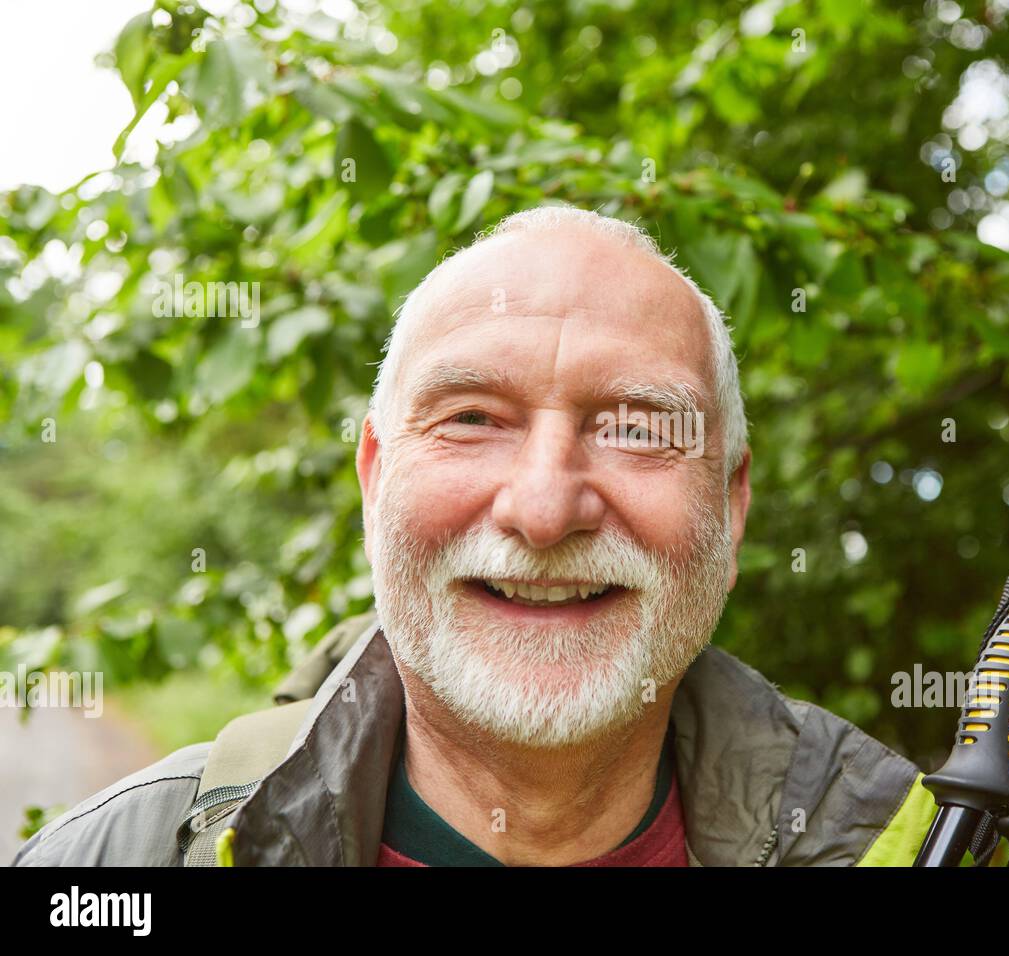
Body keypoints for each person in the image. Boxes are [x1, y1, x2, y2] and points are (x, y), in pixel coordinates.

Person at [13, 207, 935, 867]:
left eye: (638, 428)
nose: (542, 510)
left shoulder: (923, 852)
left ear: (729, 511)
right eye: (471, 418)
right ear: (374, 479)